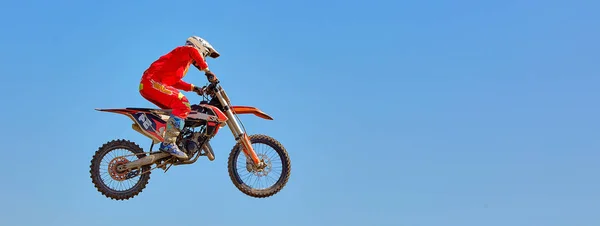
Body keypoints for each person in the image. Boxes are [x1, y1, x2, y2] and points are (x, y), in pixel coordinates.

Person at [139, 35, 220, 159]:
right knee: (183, 104)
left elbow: (174, 81)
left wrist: (194, 88)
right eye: (205, 54)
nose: (204, 58)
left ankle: (176, 141)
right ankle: (169, 143)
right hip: (152, 82)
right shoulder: (186, 50)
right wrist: (207, 71)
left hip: (151, 84)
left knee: (176, 110)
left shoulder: (182, 62)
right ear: (200, 47)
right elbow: (192, 51)